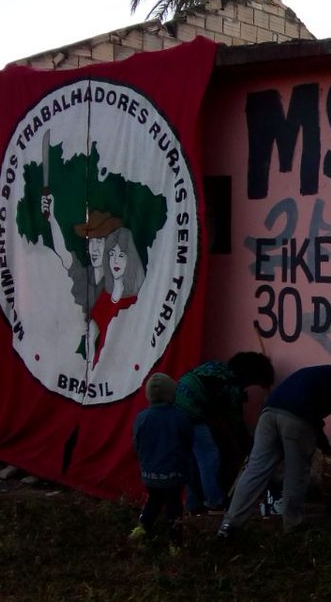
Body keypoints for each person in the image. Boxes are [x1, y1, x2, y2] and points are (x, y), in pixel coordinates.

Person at [217, 362, 331, 537]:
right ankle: (293, 527)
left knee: (255, 471)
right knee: (296, 474)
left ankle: (229, 524)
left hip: (268, 415)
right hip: (296, 420)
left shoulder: (313, 373)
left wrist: (325, 447)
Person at [176, 351, 275, 513]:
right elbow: (235, 423)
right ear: (250, 376)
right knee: (209, 456)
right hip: (190, 413)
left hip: (176, 407)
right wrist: (249, 446)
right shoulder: (232, 385)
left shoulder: (214, 367)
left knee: (192, 461)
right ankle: (215, 501)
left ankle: (193, 504)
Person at [129, 373, 193, 551]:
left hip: (149, 474)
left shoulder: (142, 417)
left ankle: (141, 529)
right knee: (174, 506)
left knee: (153, 501)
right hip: (174, 475)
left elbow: (136, 443)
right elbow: (188, 441)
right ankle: (175, 544)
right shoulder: (180, 417)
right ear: (172, 393)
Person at [88, 227, 145, 366]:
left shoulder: (136, 301)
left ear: (130, 259)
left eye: (121, 255)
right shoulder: (105, 297)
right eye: (112, 254)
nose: (115, 261)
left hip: (126, 367)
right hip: (101, 368)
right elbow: (91, 333)